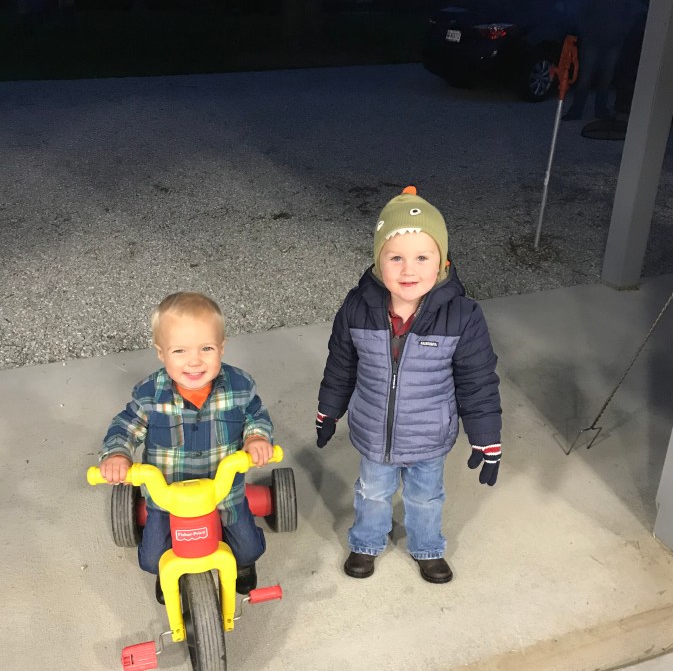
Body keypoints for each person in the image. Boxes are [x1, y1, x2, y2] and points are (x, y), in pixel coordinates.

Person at [316, 186, 502, 584]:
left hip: (428, 435)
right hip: (374, 432)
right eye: (395, 257)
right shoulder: (357, 308)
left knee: (425, 497)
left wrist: (485, 435)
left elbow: (478, 381)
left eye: (422, 257)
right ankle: (367, 542)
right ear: (378, 261)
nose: (408, 270)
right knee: (372, 492)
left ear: (442, 262)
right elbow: (341, 364)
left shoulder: (463, 316)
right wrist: (329, 409)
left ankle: (427, 547)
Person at [99, 292, 274, 604]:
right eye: (179, 351)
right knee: (152, 558)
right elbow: (127, 425)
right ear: (161, 353)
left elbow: (255, 416)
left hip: (224, 493)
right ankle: (169, 572)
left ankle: (244, 565)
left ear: (221, 347)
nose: (194, 361)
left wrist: (257, 438)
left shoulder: (239, 386)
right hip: (168, 497)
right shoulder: (149, 394)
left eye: (206, 348)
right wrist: (117, 454)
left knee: (248, 547)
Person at [563, 0, 639, 122]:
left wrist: (623, 31)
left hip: (613, 44)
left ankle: (601, 110)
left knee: (606, 78)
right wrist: (587, 34)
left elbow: (631, 17)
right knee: (585, 78)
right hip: (592, 42)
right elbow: (582, 15)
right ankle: (575, 110)